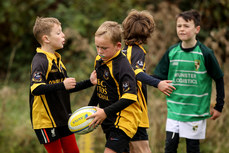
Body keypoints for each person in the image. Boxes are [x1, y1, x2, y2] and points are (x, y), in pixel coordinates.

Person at [153, 9, 225, 153]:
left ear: (197, 29)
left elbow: (219, 78)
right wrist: (154, 83)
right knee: (170, 147)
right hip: (175, 110)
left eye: (186, 26)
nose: (182, 29)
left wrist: (219, 106)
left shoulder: (205, 53)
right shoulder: (172, 52)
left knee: (192, 149)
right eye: (179, 26)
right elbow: (157, 78)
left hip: (195, 112)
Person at [30, 17, 97, 153]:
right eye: (59, 32)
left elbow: (67, 87)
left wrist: (90, 82)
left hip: (63, 117)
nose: (63, 35)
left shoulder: (57, 60)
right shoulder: (40, 61)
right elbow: (35, 89)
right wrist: (62, 85)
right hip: (46, 121)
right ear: (46, 39)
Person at [121, 9, 176, 153]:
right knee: (144, 150)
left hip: (123, 109)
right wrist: (158, 83)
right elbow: (136, 72)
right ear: (147, 32)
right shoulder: (137, 51)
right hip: (135, 109)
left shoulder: (124, 51)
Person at [87, 21, 142, 153]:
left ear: (118, 46)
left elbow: (130, 97)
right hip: (109, 119)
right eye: (97, 47)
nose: (100, 51)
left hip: (124, 120)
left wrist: (104, 112)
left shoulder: (123, 67)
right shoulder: (100, 60)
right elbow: (101, 86)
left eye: (104, 48)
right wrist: (88, 109)